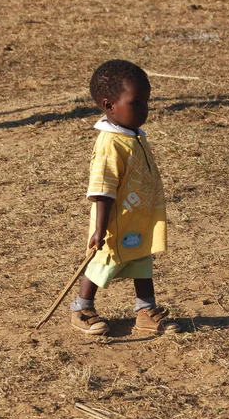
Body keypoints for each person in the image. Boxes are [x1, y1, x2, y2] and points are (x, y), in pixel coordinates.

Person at [70, 59, 181, 336]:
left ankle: (145, 310)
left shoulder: (133, 135)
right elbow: (102, 191)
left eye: (146, 102)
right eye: (136, 103)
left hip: (138, 220)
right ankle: (81, 308)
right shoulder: (111, 144)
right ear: (109, 106)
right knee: (103, 262)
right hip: (114, 223)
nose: (144, 109)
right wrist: (100, 229)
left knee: (142, 260)